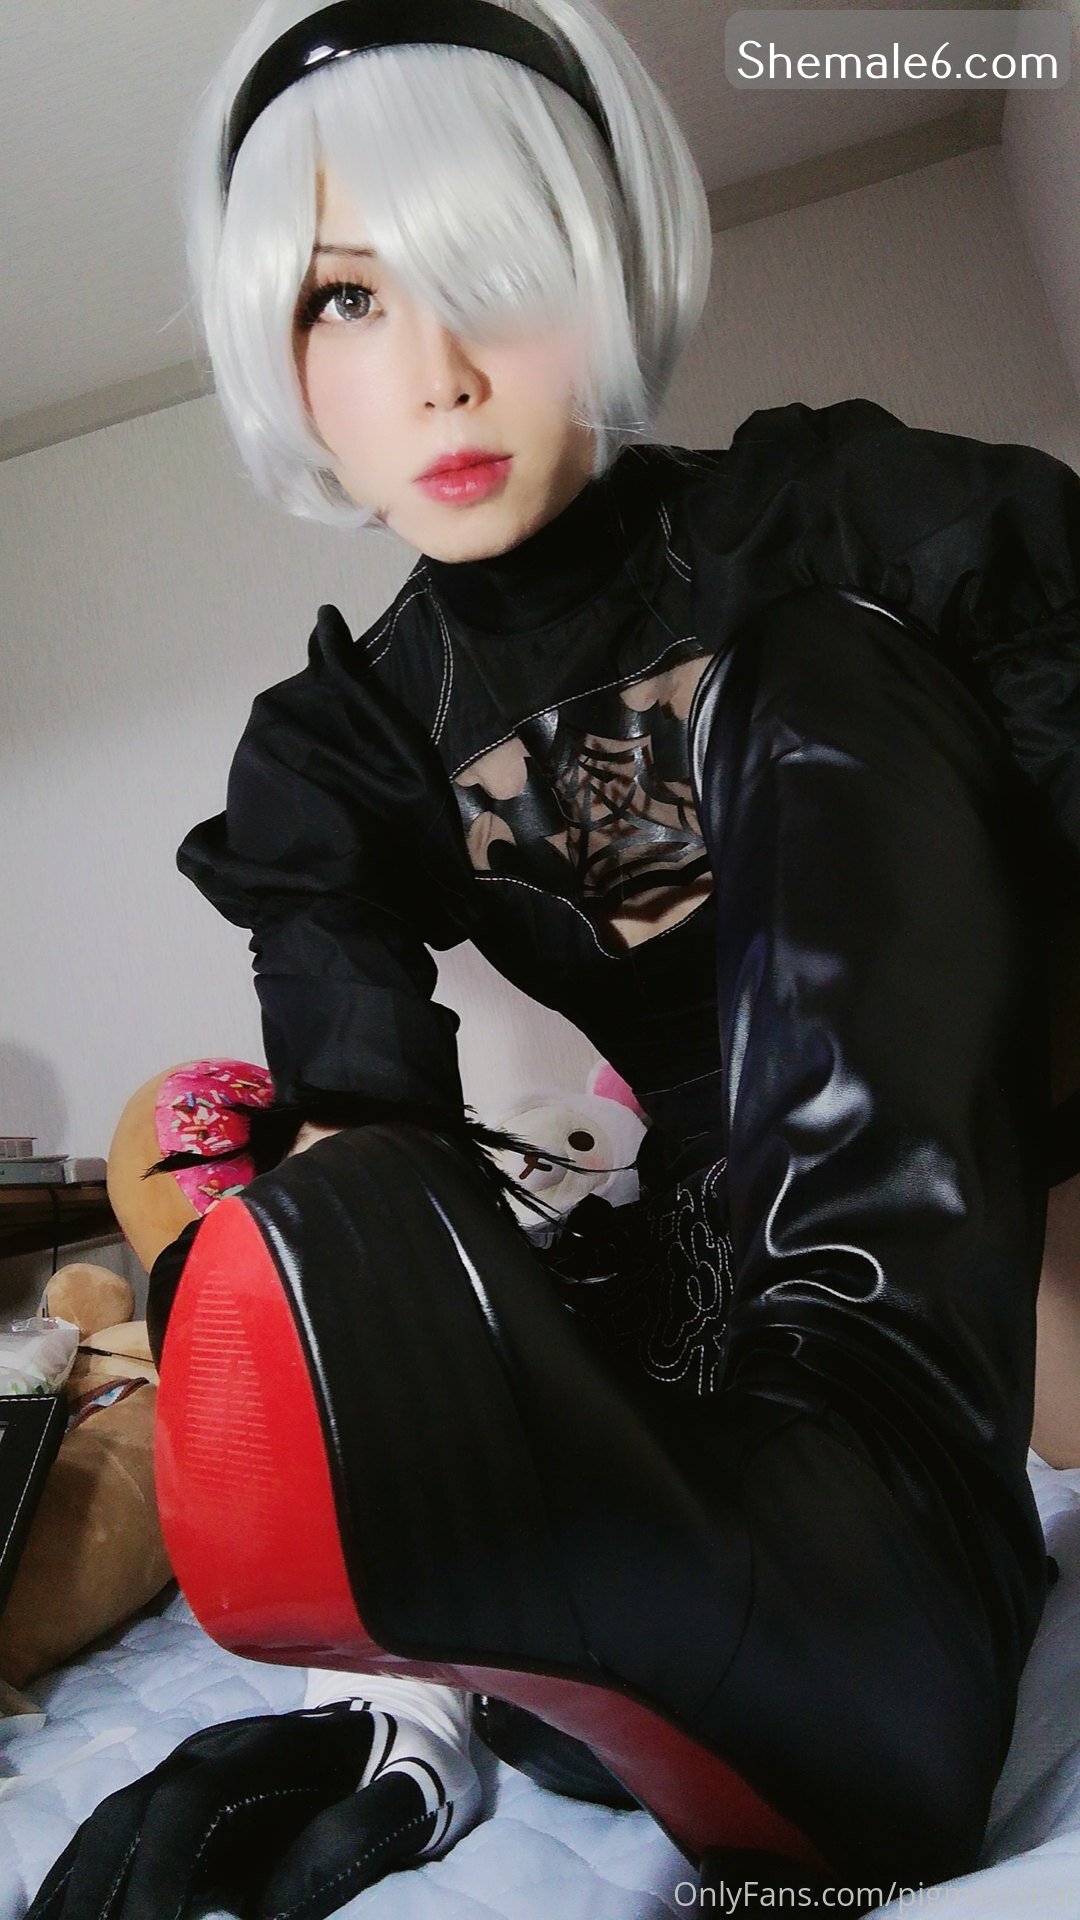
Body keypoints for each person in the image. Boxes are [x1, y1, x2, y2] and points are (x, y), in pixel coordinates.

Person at [29, 0, 1080, 1915]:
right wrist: (393, 1638)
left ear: (603, 262)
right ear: (280, 351)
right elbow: (367, 1138)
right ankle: (769, 1569)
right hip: (716, 1239)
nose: (435, 373)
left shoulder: (825, 512)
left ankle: (889, 1513)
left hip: (1016, 1182)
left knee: (818, 658)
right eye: (348, 300)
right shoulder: (347, 746)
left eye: (490, 272)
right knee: (338, 1255)